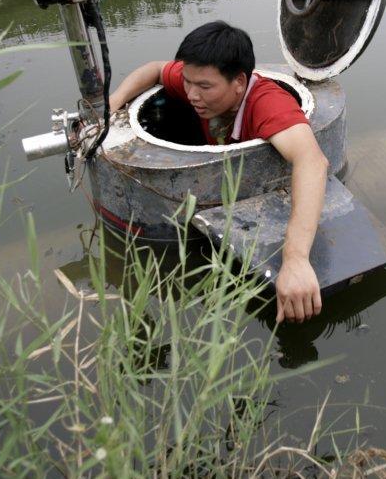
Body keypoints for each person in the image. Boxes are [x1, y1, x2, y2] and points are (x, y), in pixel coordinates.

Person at [108, 21, 328, 324]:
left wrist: (296, 259)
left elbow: (312, 162)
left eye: (204, 87)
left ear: (239, 82)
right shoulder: (199, 83)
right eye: (187, 82)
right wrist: (114, 102)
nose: (192, 95)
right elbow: (156, 69)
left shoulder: (267, 104)